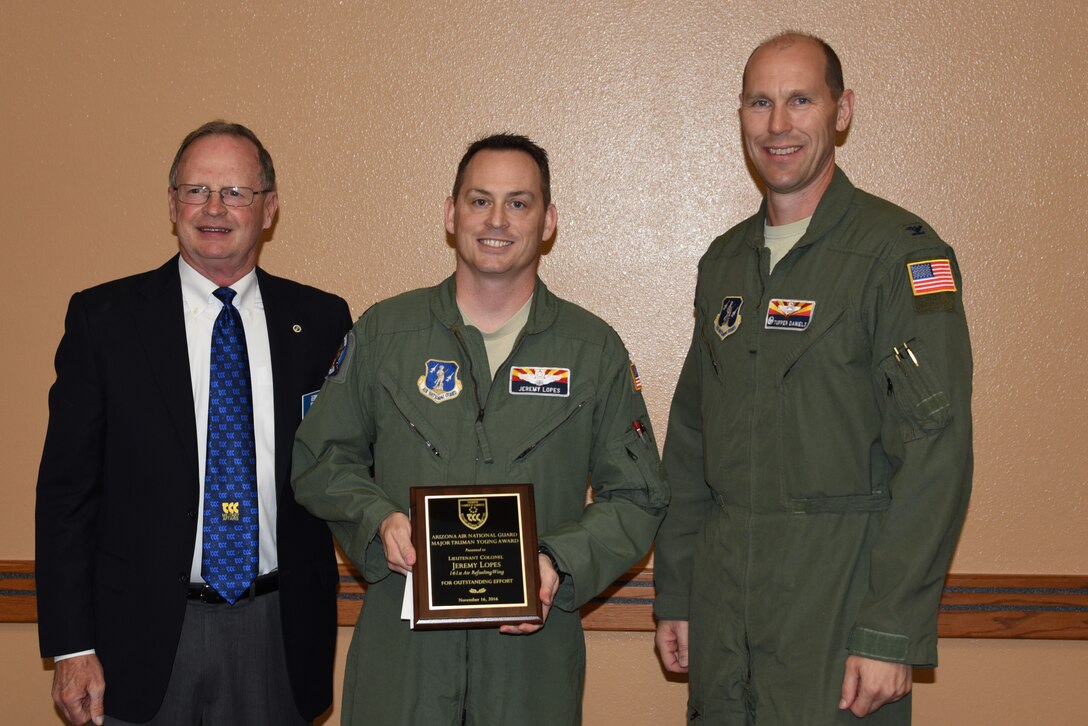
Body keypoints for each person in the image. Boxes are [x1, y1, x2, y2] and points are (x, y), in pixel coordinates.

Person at [292, 133, 668, 725]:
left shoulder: (592, 350)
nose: (497, 220)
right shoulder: (386, 334)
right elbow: (321, 461)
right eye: (479, 200)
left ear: (548, 221)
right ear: (450, 213)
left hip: (530, 663)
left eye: (519, 203)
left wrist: (555, 562)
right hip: (402, 657)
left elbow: (639, 495)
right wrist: (376, 520)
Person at [653, 33, 972, 724]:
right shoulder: (724, 263)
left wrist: (891, 629)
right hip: (724, 609)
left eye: (801, 100)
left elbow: (933, 458)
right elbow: (690, 443)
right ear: (740, 115)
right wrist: (677, 591)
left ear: (841, 111)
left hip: (839, 607)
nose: (778, 125)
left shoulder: (900, 257)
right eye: (760, 102)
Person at [35, 121, 352, 725]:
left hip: (278, 630)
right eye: (195, 190)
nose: (213, 208)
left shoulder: (321, 322)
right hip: (142, 637)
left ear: (269, 209)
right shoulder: (105, 321)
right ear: (172, 204)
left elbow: (349, 466)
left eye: (235, 192)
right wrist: (72, 646)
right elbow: (65, 495)